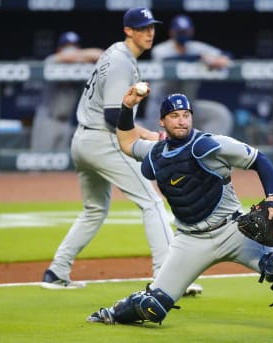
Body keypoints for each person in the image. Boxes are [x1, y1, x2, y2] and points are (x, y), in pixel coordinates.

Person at [86, 88, 273, 337]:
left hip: (233, 230)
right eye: (174, 116)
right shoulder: (156, 153)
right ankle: (113, 312)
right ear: (162, 122)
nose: (181, 121)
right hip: (189, 241)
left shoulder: (210, 144)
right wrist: (126, 107)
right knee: (153, 305)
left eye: (186, 115)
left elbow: (259, 160)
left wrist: (272, 198)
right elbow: (127, 141)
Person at [41, 8, 202, 296]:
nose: (149, 33)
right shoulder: (120, 61)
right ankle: (167, 278)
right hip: (102, 140)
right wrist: (148, 134)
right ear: (128, 30)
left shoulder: (116, 53)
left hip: (83, 140)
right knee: (152, 202)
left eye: (151, 27)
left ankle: (57, 271)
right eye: (142, 28)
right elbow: (113, 117)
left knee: (94, 210)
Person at [141, 14, 234, 136]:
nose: (182, 34)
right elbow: (171, 61)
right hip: (161, 110)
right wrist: (201, 58)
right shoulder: (161, 50)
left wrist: (219, 59)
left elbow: (226, 55)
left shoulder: (195, 47)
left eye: (185, 31)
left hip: (187, 108)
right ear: (172, 32)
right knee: (167, 148)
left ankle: (208, 152)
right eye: (179, 31)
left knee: (220, 115)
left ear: (191, 31)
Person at [30, 31, 103, 152]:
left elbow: (101, 54)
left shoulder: (81, 67)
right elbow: (66, 57)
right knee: (38, 166)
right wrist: (77, 56)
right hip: (47, 120)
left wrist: (80, 57)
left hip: (66, 123)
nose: (71, 50)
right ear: (60, 49)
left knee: (60, 168)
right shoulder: (52, 61)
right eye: (67, 46)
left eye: (74, 46)